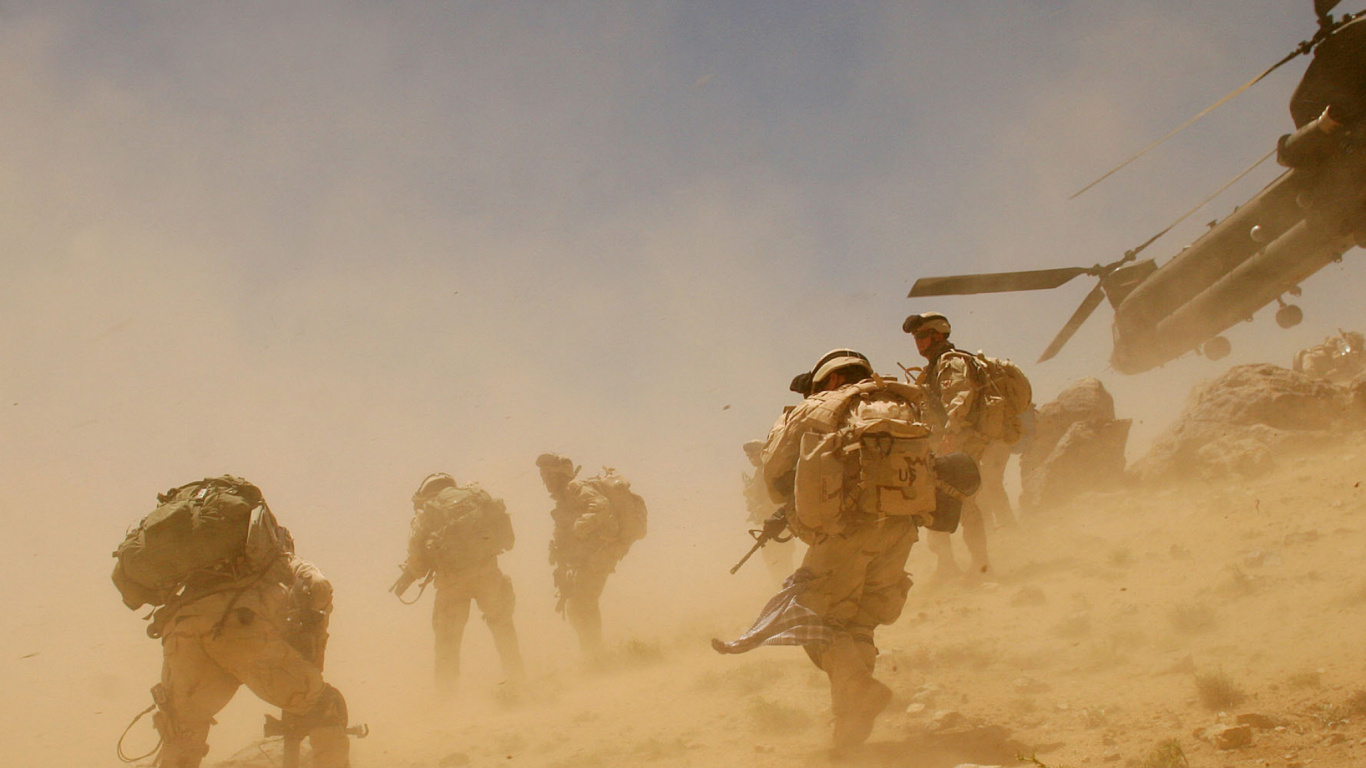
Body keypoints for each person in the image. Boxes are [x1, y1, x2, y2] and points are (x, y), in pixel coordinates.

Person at [720, 350, 934, 749]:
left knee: (815, 621)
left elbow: (775, 472)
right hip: (901, 528)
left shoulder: (821, 406)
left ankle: (859, 692)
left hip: (845, 533)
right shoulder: (899, 403)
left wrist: (801, 509)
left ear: (832, 380)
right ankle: (849, 723)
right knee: (859, 623)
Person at [114, 476, 351, 768]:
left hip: (180, 629)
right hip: (236, 628)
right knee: (323, 706)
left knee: (182, 737)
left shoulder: (197, 569)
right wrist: (311, 646)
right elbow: (319, 586)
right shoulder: (278, 555)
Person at [903, 311, 1017, 581]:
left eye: (922, 335)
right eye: (916, 337)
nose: (918, 341)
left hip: (958, 444)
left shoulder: (950, 362)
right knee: (934, 504)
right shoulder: (934, 367)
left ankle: (981, 566)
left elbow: (959, 397)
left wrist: (950, 434)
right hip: (942, 445)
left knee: (966, 505)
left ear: (938, 334)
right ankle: (946, 565)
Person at [391, 472, 525, 695]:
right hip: (488, 574)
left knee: (447, 643)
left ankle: (447, 698)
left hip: (452, 584)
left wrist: (409, 575)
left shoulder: (429, 511)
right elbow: (506, 538)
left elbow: (417, 559)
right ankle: (519, 682)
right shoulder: (477, 498)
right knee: (503, 629)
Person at [536, 453, 622, 659]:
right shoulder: (564, 497)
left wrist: (578, 529)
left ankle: (594, 656)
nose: (545, 479)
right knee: (580, 605)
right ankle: (593, 654)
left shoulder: (574, 488)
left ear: (561, 474)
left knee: (581, 604)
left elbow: (601, 505)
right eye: (543, 475)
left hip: (597, 555)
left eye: (549, 474)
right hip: (585, 558)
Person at [741, 439, 795, 582]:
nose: (752, 458)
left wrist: (764, 507)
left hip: (779, 525)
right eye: (749, 455)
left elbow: (781, 497)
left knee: (781, 563)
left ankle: (785, 588)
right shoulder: (760, 472)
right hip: (769, 525)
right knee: (773, 562)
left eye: (755, 454)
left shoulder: (770, 470)